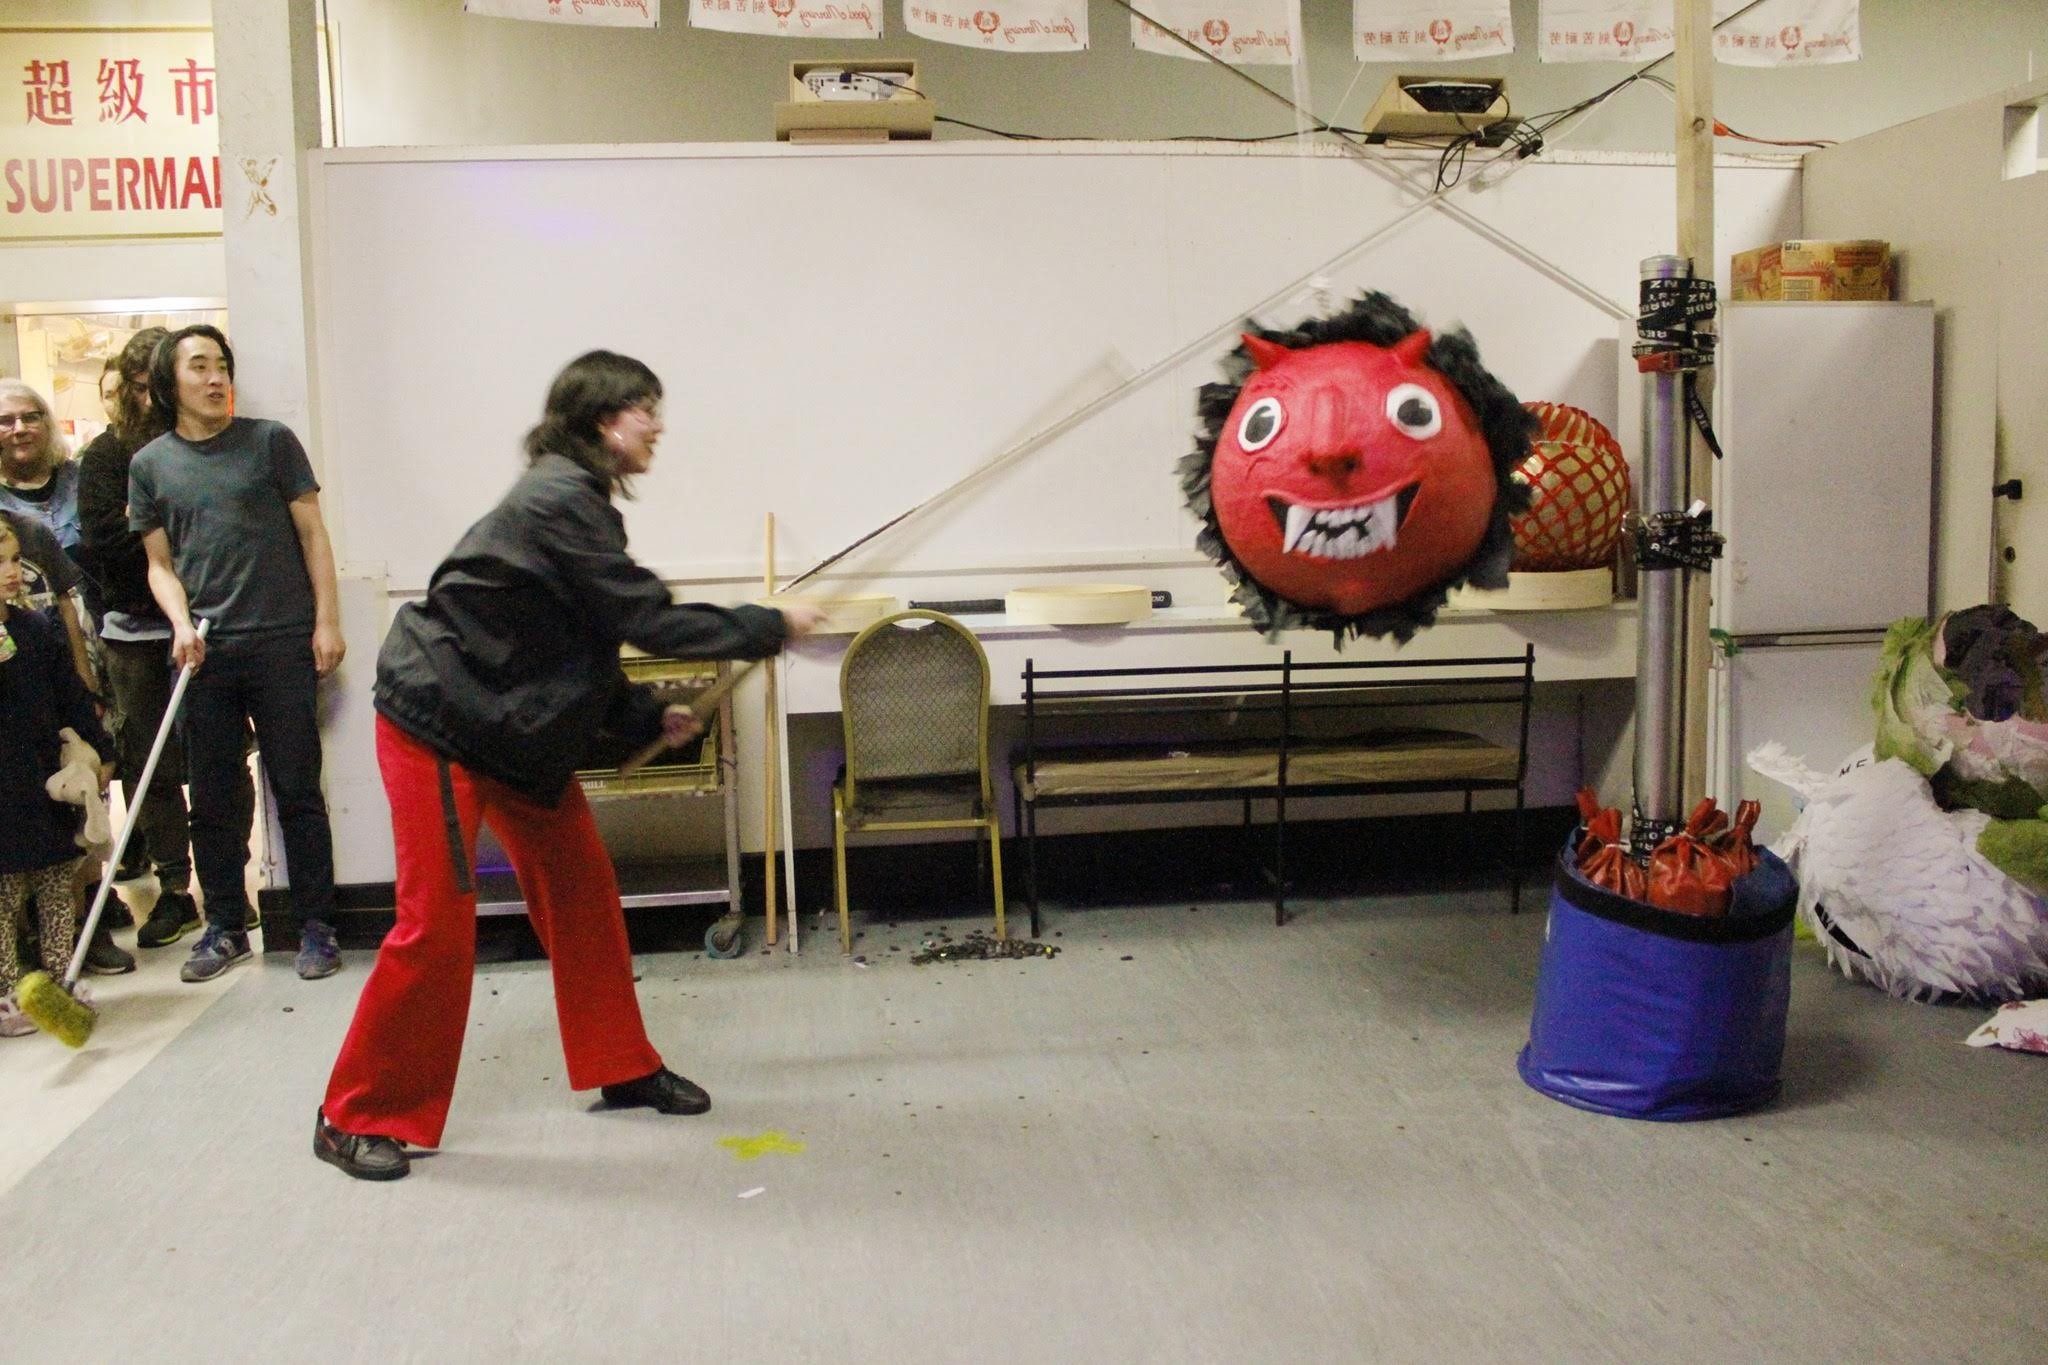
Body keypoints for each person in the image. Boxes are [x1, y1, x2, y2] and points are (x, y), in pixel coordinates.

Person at [316, 349, 824, 1181]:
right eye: (643, 409)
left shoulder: (572, 501)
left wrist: (638, 717)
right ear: (600, 421)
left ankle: (619, 1063)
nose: (657, 425)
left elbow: (579, 639)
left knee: (583, 892)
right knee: (435, 923)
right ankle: (353, 1113)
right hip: (440, 720)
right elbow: (645, 617)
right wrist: (768, 623)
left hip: (509, 730)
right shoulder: (560, 498)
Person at [129, 325, 345, 984]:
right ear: (172, 382)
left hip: (282, 641)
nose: (216, 377)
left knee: (297, 788)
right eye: (200, 366)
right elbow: (159, 565)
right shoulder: (151, 465)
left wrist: (326, 622)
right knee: (215, 798)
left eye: (222, 365)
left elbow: (313, 534)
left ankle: (316, 924)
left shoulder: (270, 442)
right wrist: (178, 622)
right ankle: (224, 923)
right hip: (207, 654)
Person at [79, 330, 253, 952]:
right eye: (136, 382)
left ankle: (230, 886)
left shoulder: (219, 444)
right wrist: (176, 538)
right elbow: (108, 538)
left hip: (213, 625)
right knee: (147, 764)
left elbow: (234, 527)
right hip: (136, 632)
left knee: (222, 760)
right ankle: (175, 889)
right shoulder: (109, 456)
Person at [0, 380, 133, 976]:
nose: (19, 429)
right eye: (6, 420)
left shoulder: (36, 534)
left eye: (31, 417)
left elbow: (67, 613)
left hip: (46, 687)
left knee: (75, 821)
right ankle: (19, 962)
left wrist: (85, 700)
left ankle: (88, 929)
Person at [0, 519, 116, 1036]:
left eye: (15, 560)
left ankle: (60, 976)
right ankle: (6, 992)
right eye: (2, 564)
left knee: (55, 883)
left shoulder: (36, 630)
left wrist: (99, 746)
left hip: (44, 779)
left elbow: (70, 693)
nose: (15, 573)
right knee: (4, 895)